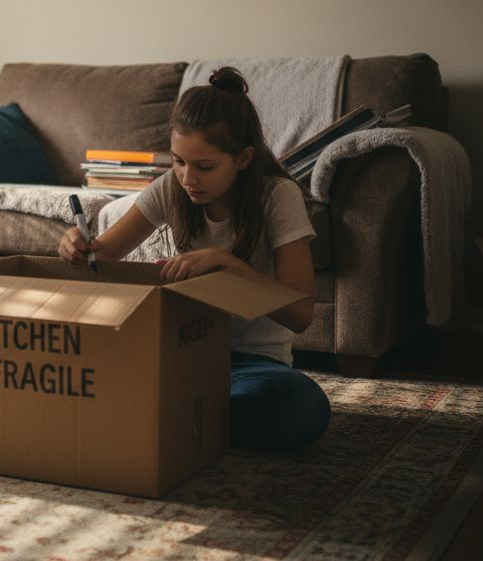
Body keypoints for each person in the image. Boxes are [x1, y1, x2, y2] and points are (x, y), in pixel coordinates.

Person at [58, 68, 331, 452]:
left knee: (300, 411)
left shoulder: (276, 196)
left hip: (252, 364)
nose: (188, 178)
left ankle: (158, 416)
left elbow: (301, 313)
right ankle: (182, 417)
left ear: (243, 158)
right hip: (181, 351)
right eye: (179, 161)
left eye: (205, 167)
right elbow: (102, 254)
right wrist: (76, 246)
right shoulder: (172, 187)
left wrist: (227, 264)